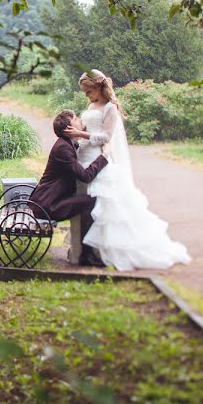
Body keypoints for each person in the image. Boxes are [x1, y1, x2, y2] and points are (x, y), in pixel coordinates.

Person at [64, 69, 191, 271]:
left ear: (97, 87)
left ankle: (98, 253)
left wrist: (81, 134)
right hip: (84, 159)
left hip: (98, 159)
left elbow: (105, 137)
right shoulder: (90, 106)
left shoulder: (110, 109)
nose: (86, 96)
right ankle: (84, 251)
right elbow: (87, 130)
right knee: (84, 207)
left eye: (88, 92)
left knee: (101, 208)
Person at [29, 110, 109, 266]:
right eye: (76, 119)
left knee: (88, 201)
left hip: (49, 201)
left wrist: (83, 133)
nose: (80, 120)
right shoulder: (63, 149)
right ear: (68, 128)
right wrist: (104, 156)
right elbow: (85, 176)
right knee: (90, 201)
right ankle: (86, 255)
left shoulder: (66, 144)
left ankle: (84, 251)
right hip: (47, 206)